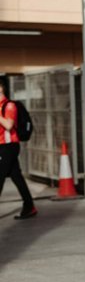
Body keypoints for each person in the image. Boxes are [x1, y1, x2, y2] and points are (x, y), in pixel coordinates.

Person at [0, 77, 37, 220]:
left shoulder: (9, 106)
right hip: (2, 146)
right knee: (16, 176)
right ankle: (29, 206)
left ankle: (29, 206)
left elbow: (9, 125)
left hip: (8, 146)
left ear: (1, 88)